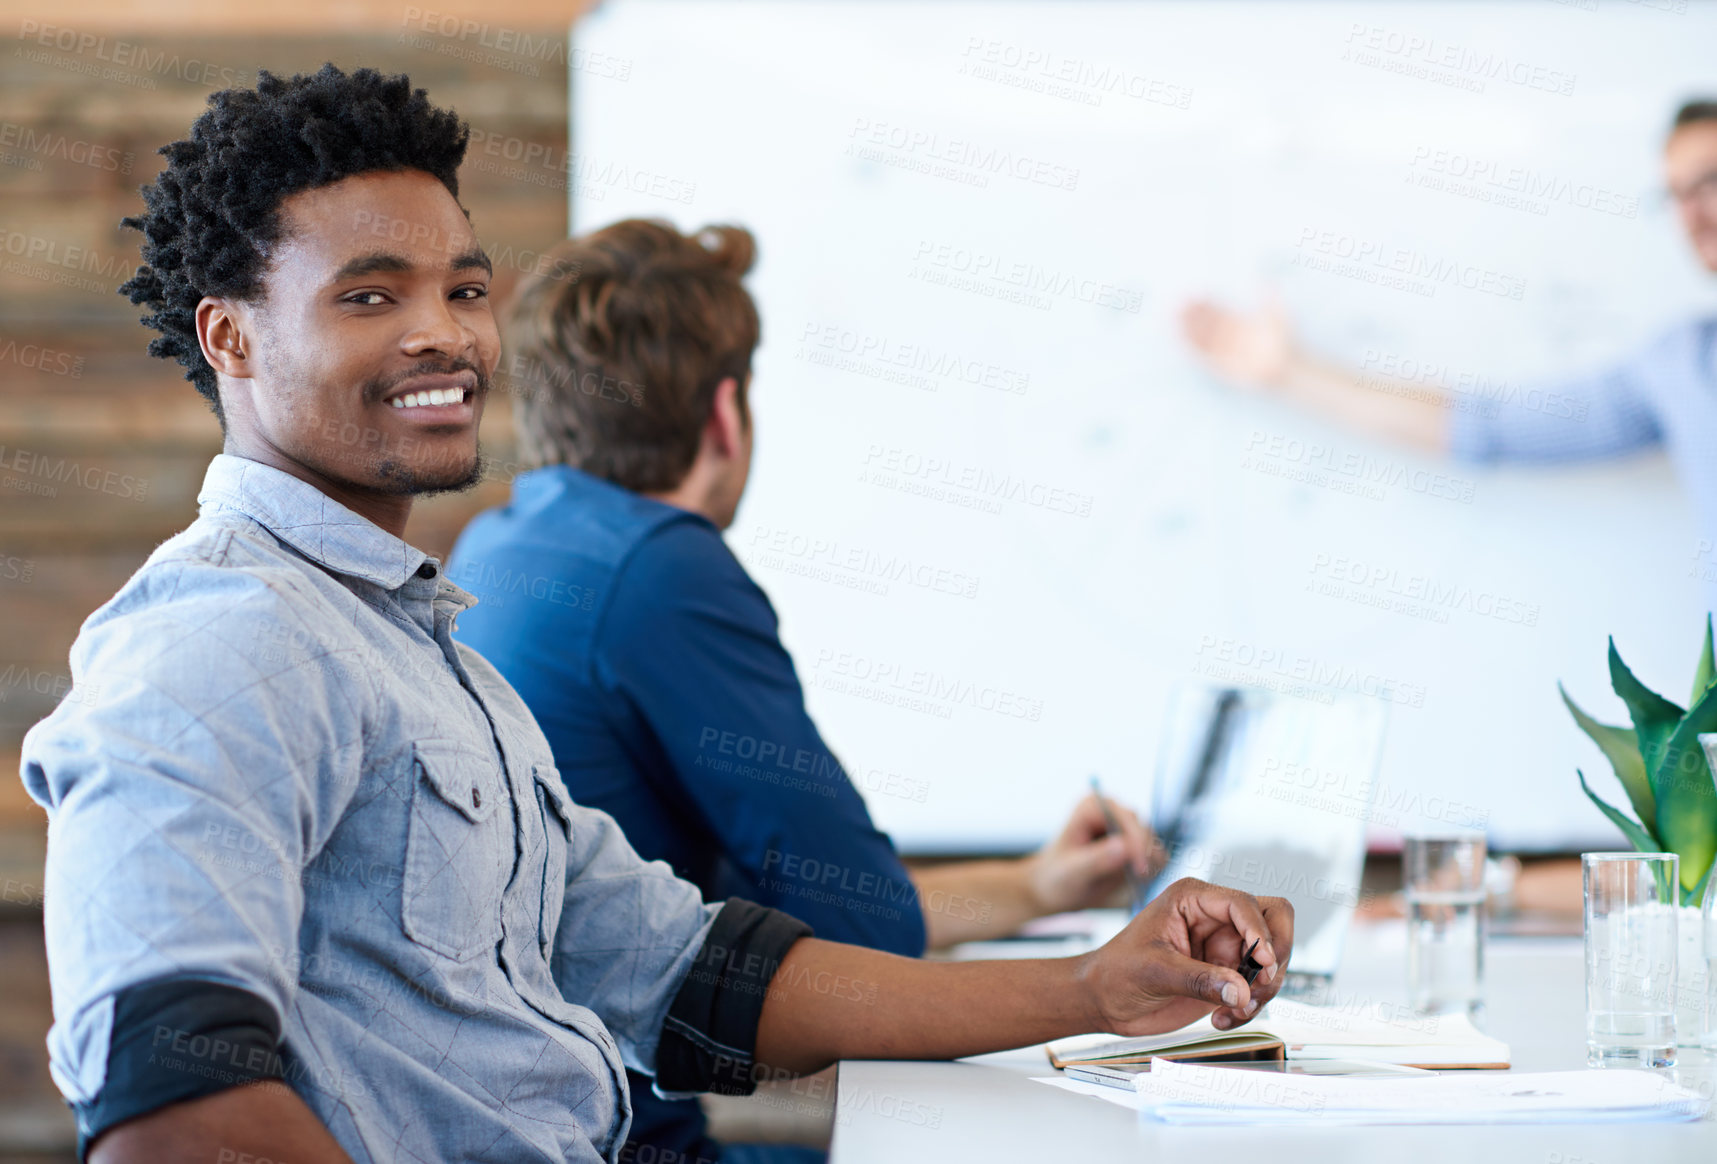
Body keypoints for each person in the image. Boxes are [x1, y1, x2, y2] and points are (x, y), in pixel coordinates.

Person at [20, 66, 1294, 1164]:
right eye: (370, 296)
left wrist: (1096, 988)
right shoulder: (217, 643)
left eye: (464, 291)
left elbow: (698, 973)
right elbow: (171, 1111)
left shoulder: (430, 652)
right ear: (229, 339)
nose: (443, 335)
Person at [447, 220, 1164, 1160]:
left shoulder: (499, 546)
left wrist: (1035, 885)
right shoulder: (662, 568)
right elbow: (863, 926)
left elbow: (828, 913)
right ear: (725, 416)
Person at [1182, 99, 1717, 609]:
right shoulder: (1682, 365)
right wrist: (1292, 372)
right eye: (1674, 196)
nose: (1690, 216)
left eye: (1709, 181)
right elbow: (1484, 425)